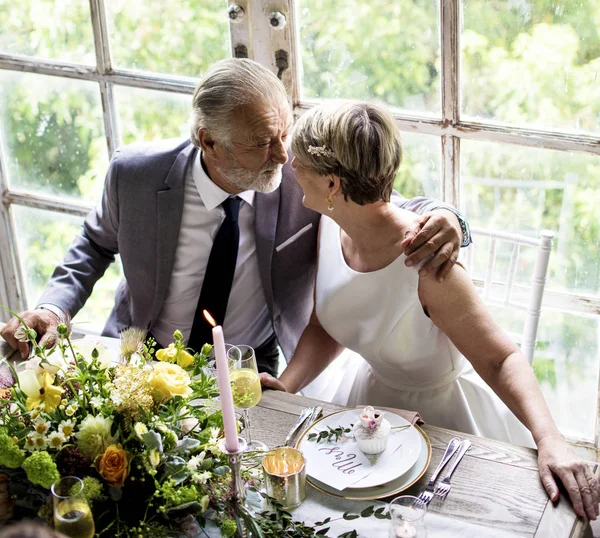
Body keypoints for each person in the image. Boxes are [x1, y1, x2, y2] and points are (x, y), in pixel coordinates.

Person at [0, 59, 467, 377]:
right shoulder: (135, 175)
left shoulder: (300, 181)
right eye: (262, 141)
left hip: (250, 369)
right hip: (138, 357)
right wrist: (52, 308)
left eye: (284, 132)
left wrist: (448, 217)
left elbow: (380, 201)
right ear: (208, 140)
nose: (282, 154)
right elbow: (95, 243)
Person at [261, 100, 600, 520]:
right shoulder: (334, 224)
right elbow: (327, 323)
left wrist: (550, 438)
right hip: (368, 407)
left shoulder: (427, 261)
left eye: (300, 161)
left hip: (447, 425)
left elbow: (500, 357)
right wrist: (286, 385)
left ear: (332, 185)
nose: (290, 163)